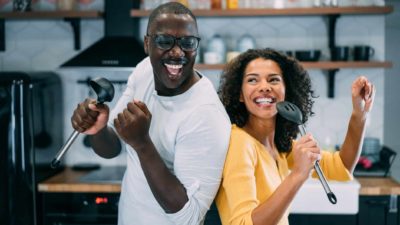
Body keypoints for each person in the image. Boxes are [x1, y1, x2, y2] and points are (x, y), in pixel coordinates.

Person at [70, 2, 231, 225]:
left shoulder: (206, 115)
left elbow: (190, 217)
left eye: (187, 42)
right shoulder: (145, 70)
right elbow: (112, 147)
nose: (177, 52)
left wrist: (142, 143)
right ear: (147, 43)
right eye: (164, 41)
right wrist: (98, 130)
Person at [215, 48, 375, 225]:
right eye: (253, 80)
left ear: (287, 91)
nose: (264, 87)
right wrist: (298, 174)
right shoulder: (239, 144)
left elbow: (341, 166)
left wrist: (359, 115)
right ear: (240, 94)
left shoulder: (280, 145)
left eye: (273, 79)